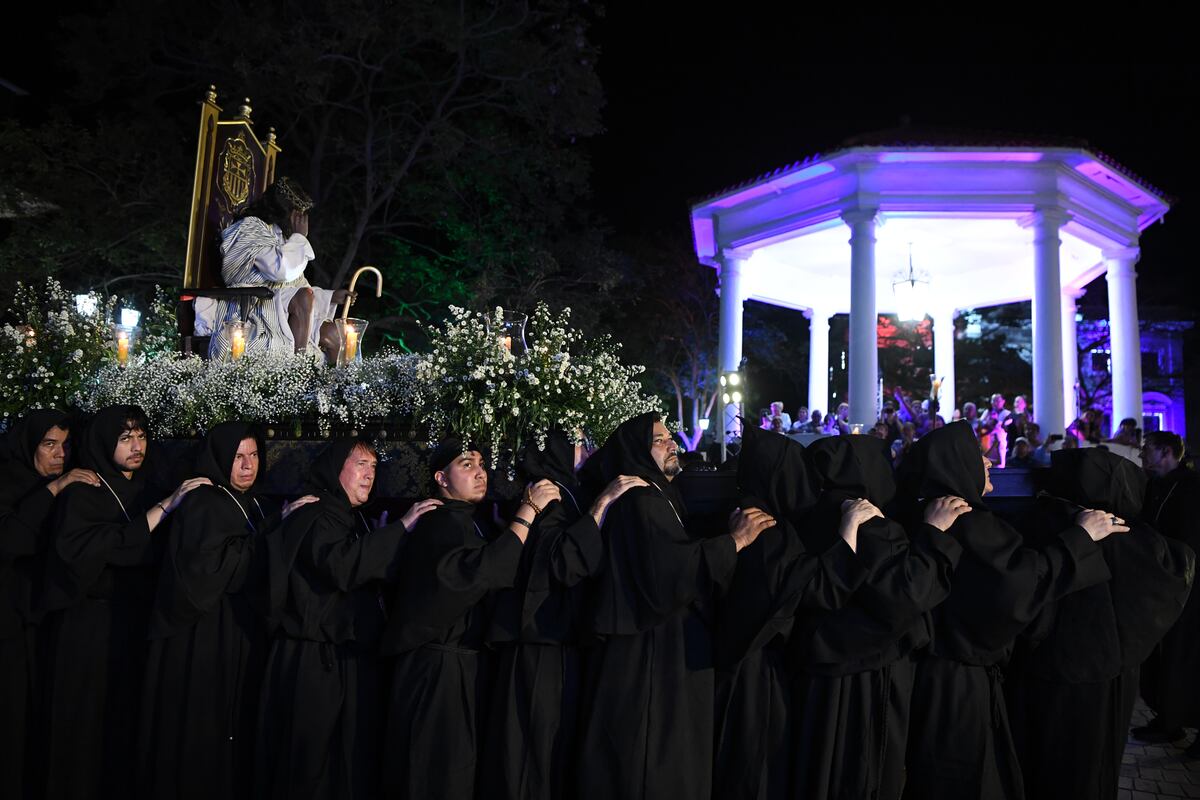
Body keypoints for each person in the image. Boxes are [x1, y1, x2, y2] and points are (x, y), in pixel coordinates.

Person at [897, 421, 1127, 800]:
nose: (988, 461)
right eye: (978, 455)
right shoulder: (967, 520)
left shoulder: (936, 512)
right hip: (958, 680)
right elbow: (1018, 584)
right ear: (957, 464)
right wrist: (1080, 539)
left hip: (943, 674)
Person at [574, 413, 774, 800]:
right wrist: (736, 541)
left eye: (669, 437)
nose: (672, 444)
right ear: (637, 451)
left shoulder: (659, 495)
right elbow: (669, 571)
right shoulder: (641, 501)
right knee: (650, 759)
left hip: (659, 651)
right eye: (659, 439)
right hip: (648, 658)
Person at [38, 405, 210, 800]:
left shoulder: (147, 486)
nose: (137, 446)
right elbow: (98, 548)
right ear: (104, 442)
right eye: (125, 438)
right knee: (83, 729)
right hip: (87, 632)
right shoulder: (84, 492)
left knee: (123, 726)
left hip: (130, 624)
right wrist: (164, 508)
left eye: (141, 436)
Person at [136, 422, 316, 800]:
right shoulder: (205, 501)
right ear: (219, 459)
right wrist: (277, 527)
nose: (248, 465)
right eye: (238, 457)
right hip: (201, 638)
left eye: (253, 455)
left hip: (233, 634)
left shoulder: (252, 502)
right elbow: (217, 569)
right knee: (201, 730)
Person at [1007, 448, 1193, 800]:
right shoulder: (1128, 535)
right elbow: (1177, 569)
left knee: (1040, 762)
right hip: (1103, 676)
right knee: (1090, 766)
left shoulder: (1038, 522)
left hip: (1041, 669)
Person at [255, 438, 434, 799]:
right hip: (310, 662)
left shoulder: (348, 518)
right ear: (335, 468)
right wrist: (402, 526)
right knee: (310, 765)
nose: (369, 475)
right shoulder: (316, 514)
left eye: (373, 467)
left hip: (340, 659)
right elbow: (342, 566)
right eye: (360, 465)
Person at [790, 434, 964, 800]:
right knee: (865, 770)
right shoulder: (871, 521)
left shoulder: (814, 513)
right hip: (868, 676)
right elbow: (908, 593)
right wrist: (935, 535)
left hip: (823, 670)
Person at [380, 439, 556, 798]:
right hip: (435, 671)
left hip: (459, 667)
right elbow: (480, 572)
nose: (480, 472)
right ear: (441, 478)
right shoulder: (439, 523)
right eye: (466, 465)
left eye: (481, 463)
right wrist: (527, 511)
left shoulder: (464, 521)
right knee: (432, 772)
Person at [478, 432, 647, 800]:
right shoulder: (547, 494)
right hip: (538, 642)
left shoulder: (570, 490)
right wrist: (601, 506)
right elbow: (559, 563)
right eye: (576, 440)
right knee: (530, 752)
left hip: (562, 641)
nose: (586, 447)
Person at [712, 425, 868, 800]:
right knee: (755, 767)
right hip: (753, 673)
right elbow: (816, 587)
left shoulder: (748, 513)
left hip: (741, 667)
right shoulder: (766, 526)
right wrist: (849, 532)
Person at [0, 410, 99, 798]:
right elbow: (11, 541)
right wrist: (54, 491)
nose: (60, 454)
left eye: (66, 445)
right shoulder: (9, 480)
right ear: (29, 446)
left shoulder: (70, 485)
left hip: (42, 621)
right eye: (49, 444)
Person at [205, 177, 353, 360]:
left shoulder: (282, 237)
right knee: (305, 297)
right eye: (297, 215)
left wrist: (331, 296)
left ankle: (340, 386)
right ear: (283, 210)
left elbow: (298, 283)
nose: (300, 221)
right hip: (254, 304)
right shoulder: (250, 227)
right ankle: (298, 367)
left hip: (282, 305)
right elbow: (281, 271)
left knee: (336, 335)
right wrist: (299, 237)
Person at [1134, 431, 1200, 749]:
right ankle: (1168, 720)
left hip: (1190, 585)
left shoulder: (1191, 487)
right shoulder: (1156, 486)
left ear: (1167, 453)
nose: (1141, 454)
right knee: (1167, 657)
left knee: (1187, 657)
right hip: (1165, 585)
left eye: (1147, 449)